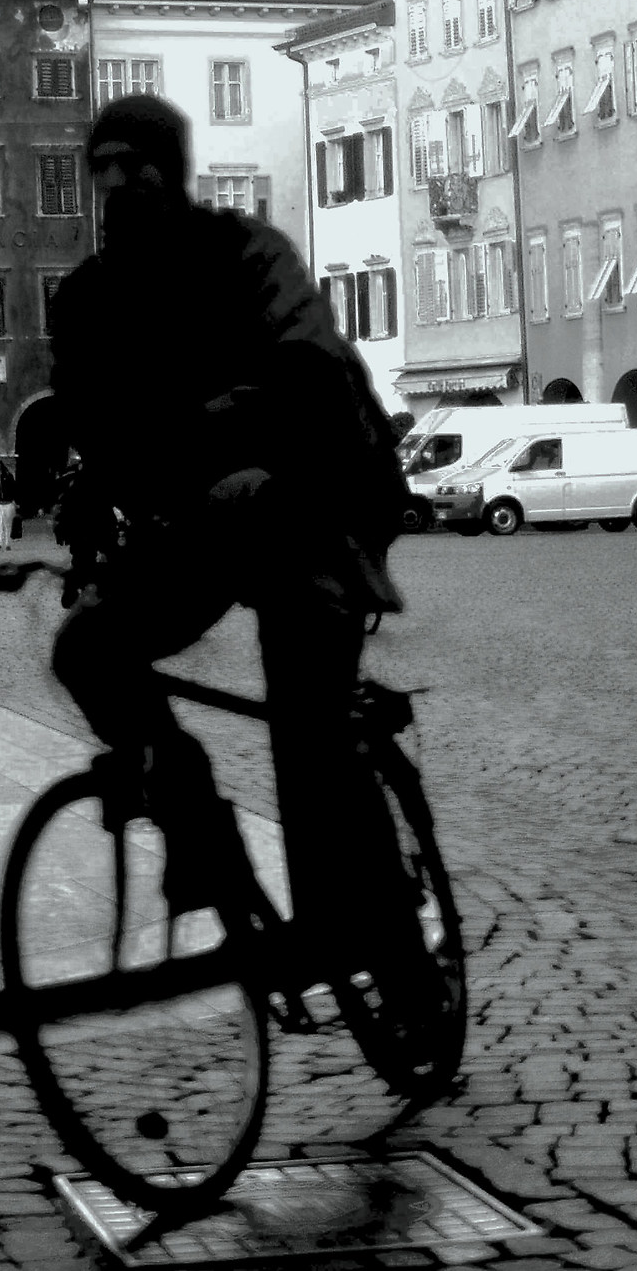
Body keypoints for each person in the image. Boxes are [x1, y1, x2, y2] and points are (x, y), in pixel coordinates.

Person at [46, 93, 425, 1003]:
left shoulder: (247, 253)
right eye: (101, 168)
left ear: (173, 171)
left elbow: (310, 370)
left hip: (317, 498)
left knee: (308, 713)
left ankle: (385, 951)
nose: (117, 184)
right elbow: (99, 428)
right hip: (206, 522)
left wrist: (200, 433)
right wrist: (90, 497)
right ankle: (203, 836)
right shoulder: (91, 300)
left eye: (135, 164)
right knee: (90, 650)